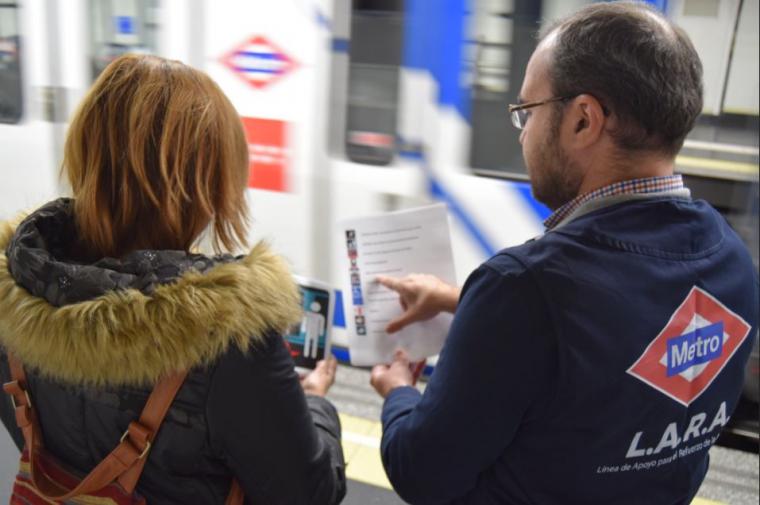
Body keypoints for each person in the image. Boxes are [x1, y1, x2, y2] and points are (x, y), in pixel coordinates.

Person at [369, 3, 758, 505]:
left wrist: (399, 390)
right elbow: (607, 340)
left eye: (526, 113)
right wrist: (454, 299)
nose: (524, 133)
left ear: (582, 120)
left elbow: (419, 472)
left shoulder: (525, 289)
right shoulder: (731, 261)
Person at [0, 54, 346, 504]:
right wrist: (317, 403)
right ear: (207, 186)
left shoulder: (14, 290)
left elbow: (27, 432)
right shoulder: (229, 342)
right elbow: (310, 492)